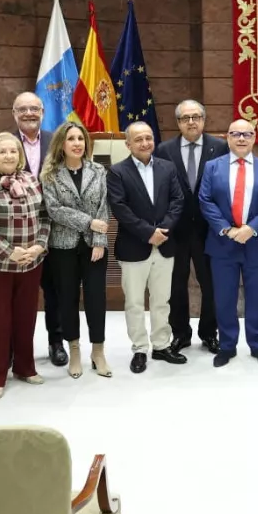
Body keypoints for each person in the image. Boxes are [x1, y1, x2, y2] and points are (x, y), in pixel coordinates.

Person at [0, 133, 49, 399]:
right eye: (3, 152)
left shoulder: (30, 180)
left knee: (26, 318)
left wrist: (39, 245)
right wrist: (8, 253)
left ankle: (25, 368)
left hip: (30, 263)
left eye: (14, 151)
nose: (9, 156)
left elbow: (45, 216)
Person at [198, 118, 258, 367]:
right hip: (223, 244)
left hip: (256, 244)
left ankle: (257, 345)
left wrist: (251, 229)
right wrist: (227, 229)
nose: (242, 138)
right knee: (224, 299)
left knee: (256, 298)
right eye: (236, 134)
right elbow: (205, 200)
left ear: (254, 138)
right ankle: (226, 346)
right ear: (228, 137)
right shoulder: (213, 167)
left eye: (247, 134)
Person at [107, 121, 186, 374]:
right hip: (134, 247)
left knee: (162, 300)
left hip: (165, 244)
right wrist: (147, 232)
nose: (145, 143)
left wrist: (162, 230)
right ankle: (140, 348)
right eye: (138, 139)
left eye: (148, 138)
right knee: (134, 302)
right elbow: (120, 208)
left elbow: (177, 200)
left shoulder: (168, 167)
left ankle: (161, 345)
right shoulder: (117, 172)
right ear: (128, 144)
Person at [154, 100, 229, 354]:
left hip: (210, 230)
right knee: (176, 284)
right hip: (176, 230)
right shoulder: (164, 150)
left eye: (196, 117)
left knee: (211, 284)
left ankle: (209, 333)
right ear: (178, 123)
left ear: (204, 120)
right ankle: (180, 334)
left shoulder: (220, 148)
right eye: (185, 118)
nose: (191, 122)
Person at [41, 121, 111, 379]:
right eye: (71, 139)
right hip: (63, 247)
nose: (77, 143)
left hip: (95, 247)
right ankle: (75, 351)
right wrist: (88, 222)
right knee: (67, 300)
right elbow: (54, 210)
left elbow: (104, 208)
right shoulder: (49, 174)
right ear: (62, 143)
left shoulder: (99, 171)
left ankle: (98, 352)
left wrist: (99, 240)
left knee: (96, 299)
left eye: (81, 139)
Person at [12, 91, 65, 367]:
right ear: (14, 114)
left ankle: (56, 341)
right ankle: (15, 348)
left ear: (42, 111)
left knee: (54, 290)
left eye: (34, 108)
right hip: (17, 232)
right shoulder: (5, 144)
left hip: (53, 228)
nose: (29, 113)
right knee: (18, 295)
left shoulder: (55, 141)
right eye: (23, 109)